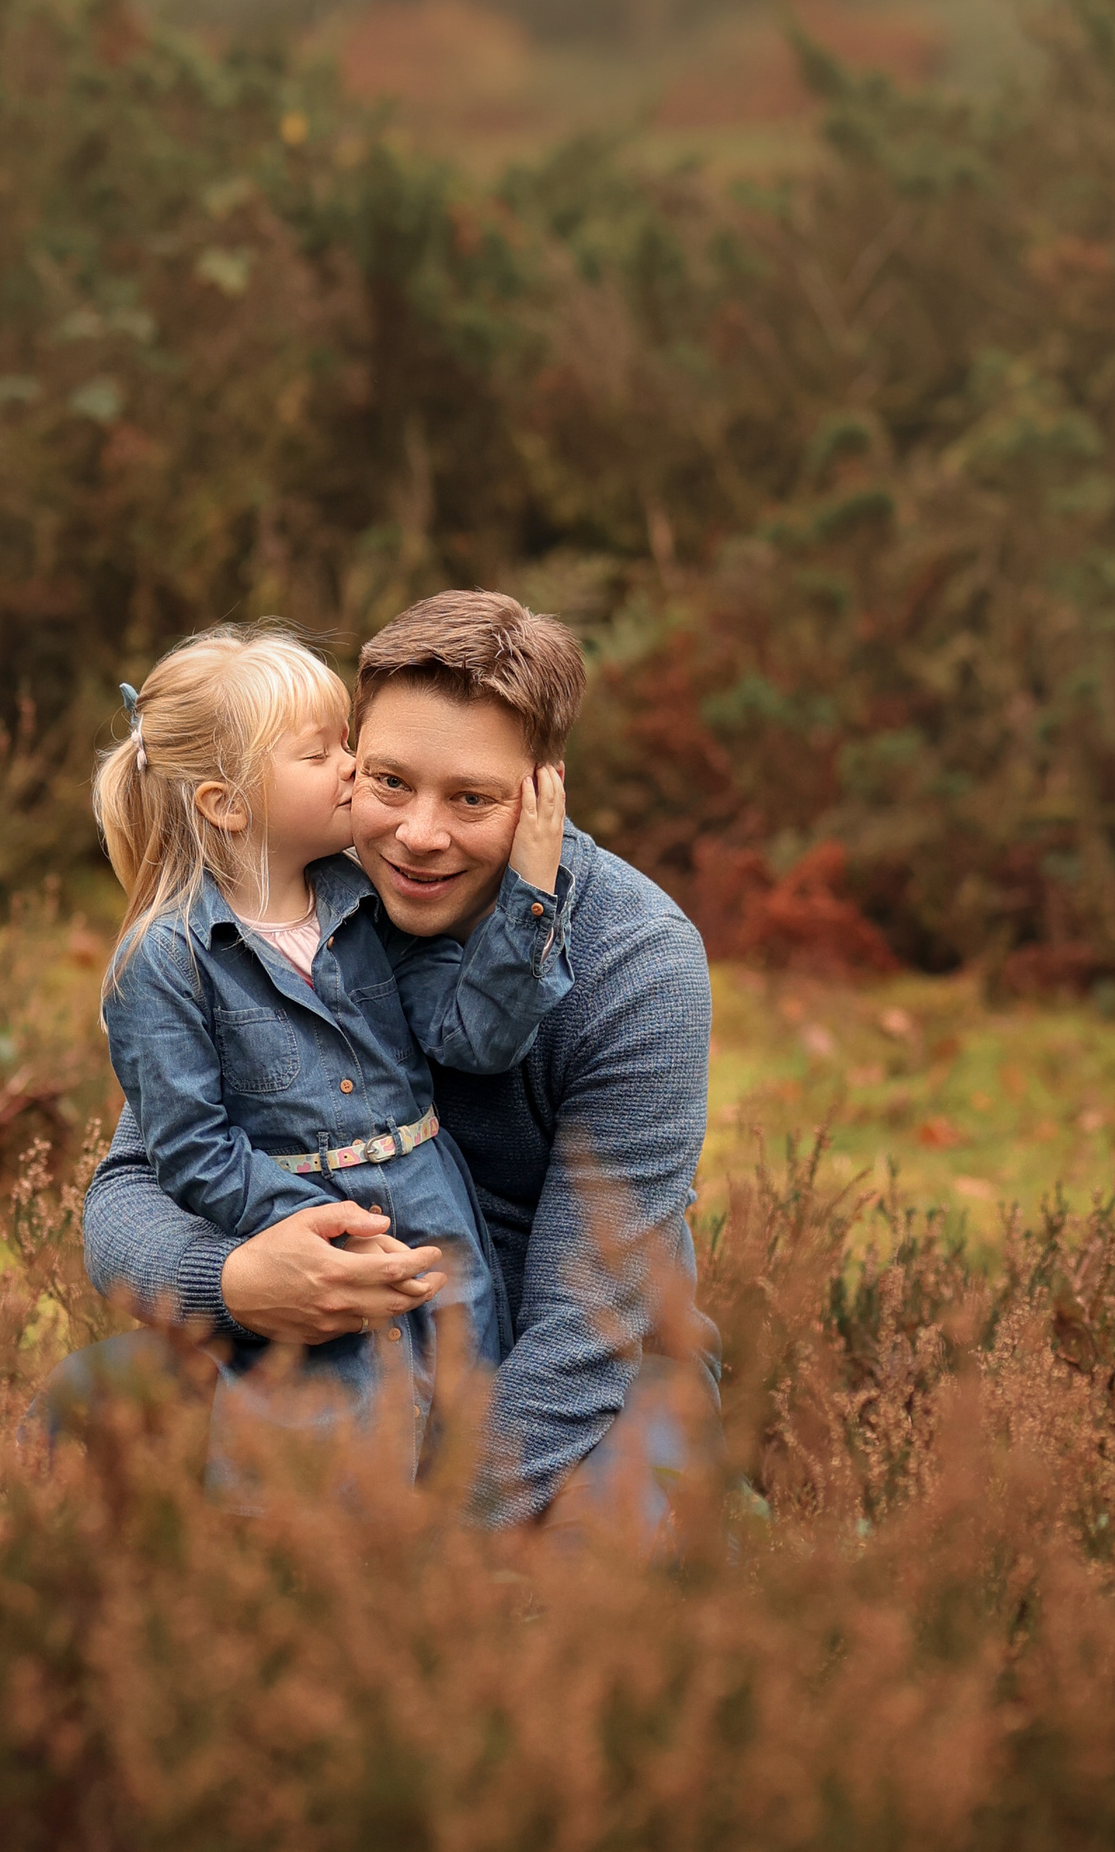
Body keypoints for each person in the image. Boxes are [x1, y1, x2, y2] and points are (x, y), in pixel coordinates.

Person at [81, 591, 715, 1524]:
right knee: (91, 1407)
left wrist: (437, 1542)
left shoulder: (637, 962)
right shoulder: (288, 916)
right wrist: (236, 1283)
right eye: (388, 783)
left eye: (472, 798)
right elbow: (129, 1190)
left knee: (613, 1532)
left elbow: (589, 1321)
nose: (419, 835)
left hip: (586, 1372)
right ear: (349, 763)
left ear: (544, 791)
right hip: (331, 1332)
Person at [92, 620, 573, 1457]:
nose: (353, 770)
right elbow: (188, 1152)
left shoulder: (363, 905)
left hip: (436, 1214)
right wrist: (318, 1233)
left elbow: (474, 1038)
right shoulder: (169, 961)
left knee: (464, 1426)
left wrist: (532, 889)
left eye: (346, 745)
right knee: (327, 1447)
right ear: (227, 802)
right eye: (323, 755)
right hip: (310, 1237)